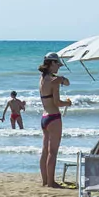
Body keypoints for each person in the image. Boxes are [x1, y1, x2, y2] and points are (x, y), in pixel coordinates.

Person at [38, 54, 72, 187]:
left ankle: (45, 181)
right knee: (53, 152)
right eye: (57, 64)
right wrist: (67, 103)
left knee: (45, 150)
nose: (58, 67)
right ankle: (51, 182)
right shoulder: (54, 80)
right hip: (53, 117)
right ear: (52, 63)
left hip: (45, 117)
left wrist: (62, 79)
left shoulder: (42, 79)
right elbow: (57, 102)